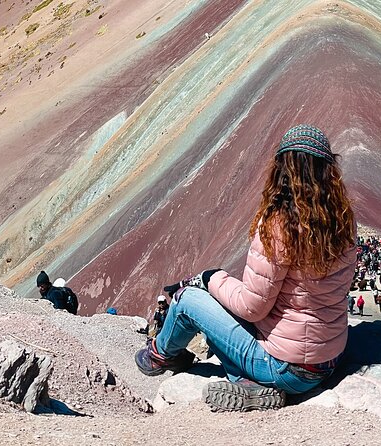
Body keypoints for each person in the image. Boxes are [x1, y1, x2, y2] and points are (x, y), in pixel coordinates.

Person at [134, 124, 356, 412]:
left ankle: (159, 356)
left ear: (281, 171)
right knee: (222, 305)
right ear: (328, 172)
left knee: (188, 299)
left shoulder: (280, 224)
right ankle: (249, 381)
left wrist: (210, 278)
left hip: (285, 368)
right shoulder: (342, 221)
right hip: (327, 360)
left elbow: (253, 307)